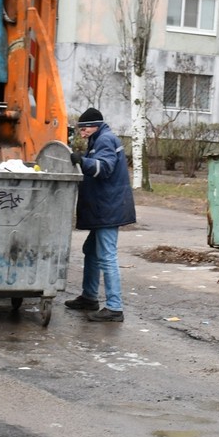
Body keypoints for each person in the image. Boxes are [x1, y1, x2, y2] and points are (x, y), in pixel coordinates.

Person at [64, 107, 136, 322]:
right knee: (92, 250)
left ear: (93, 126)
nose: (81, 132)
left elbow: (104, 168)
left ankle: (114, 308)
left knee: (107, 255)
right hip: (104, 208)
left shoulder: (104, 140)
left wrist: (81, 161)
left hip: (108, 209)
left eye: (83, 128)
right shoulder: (99, 139)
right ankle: (89, 297)